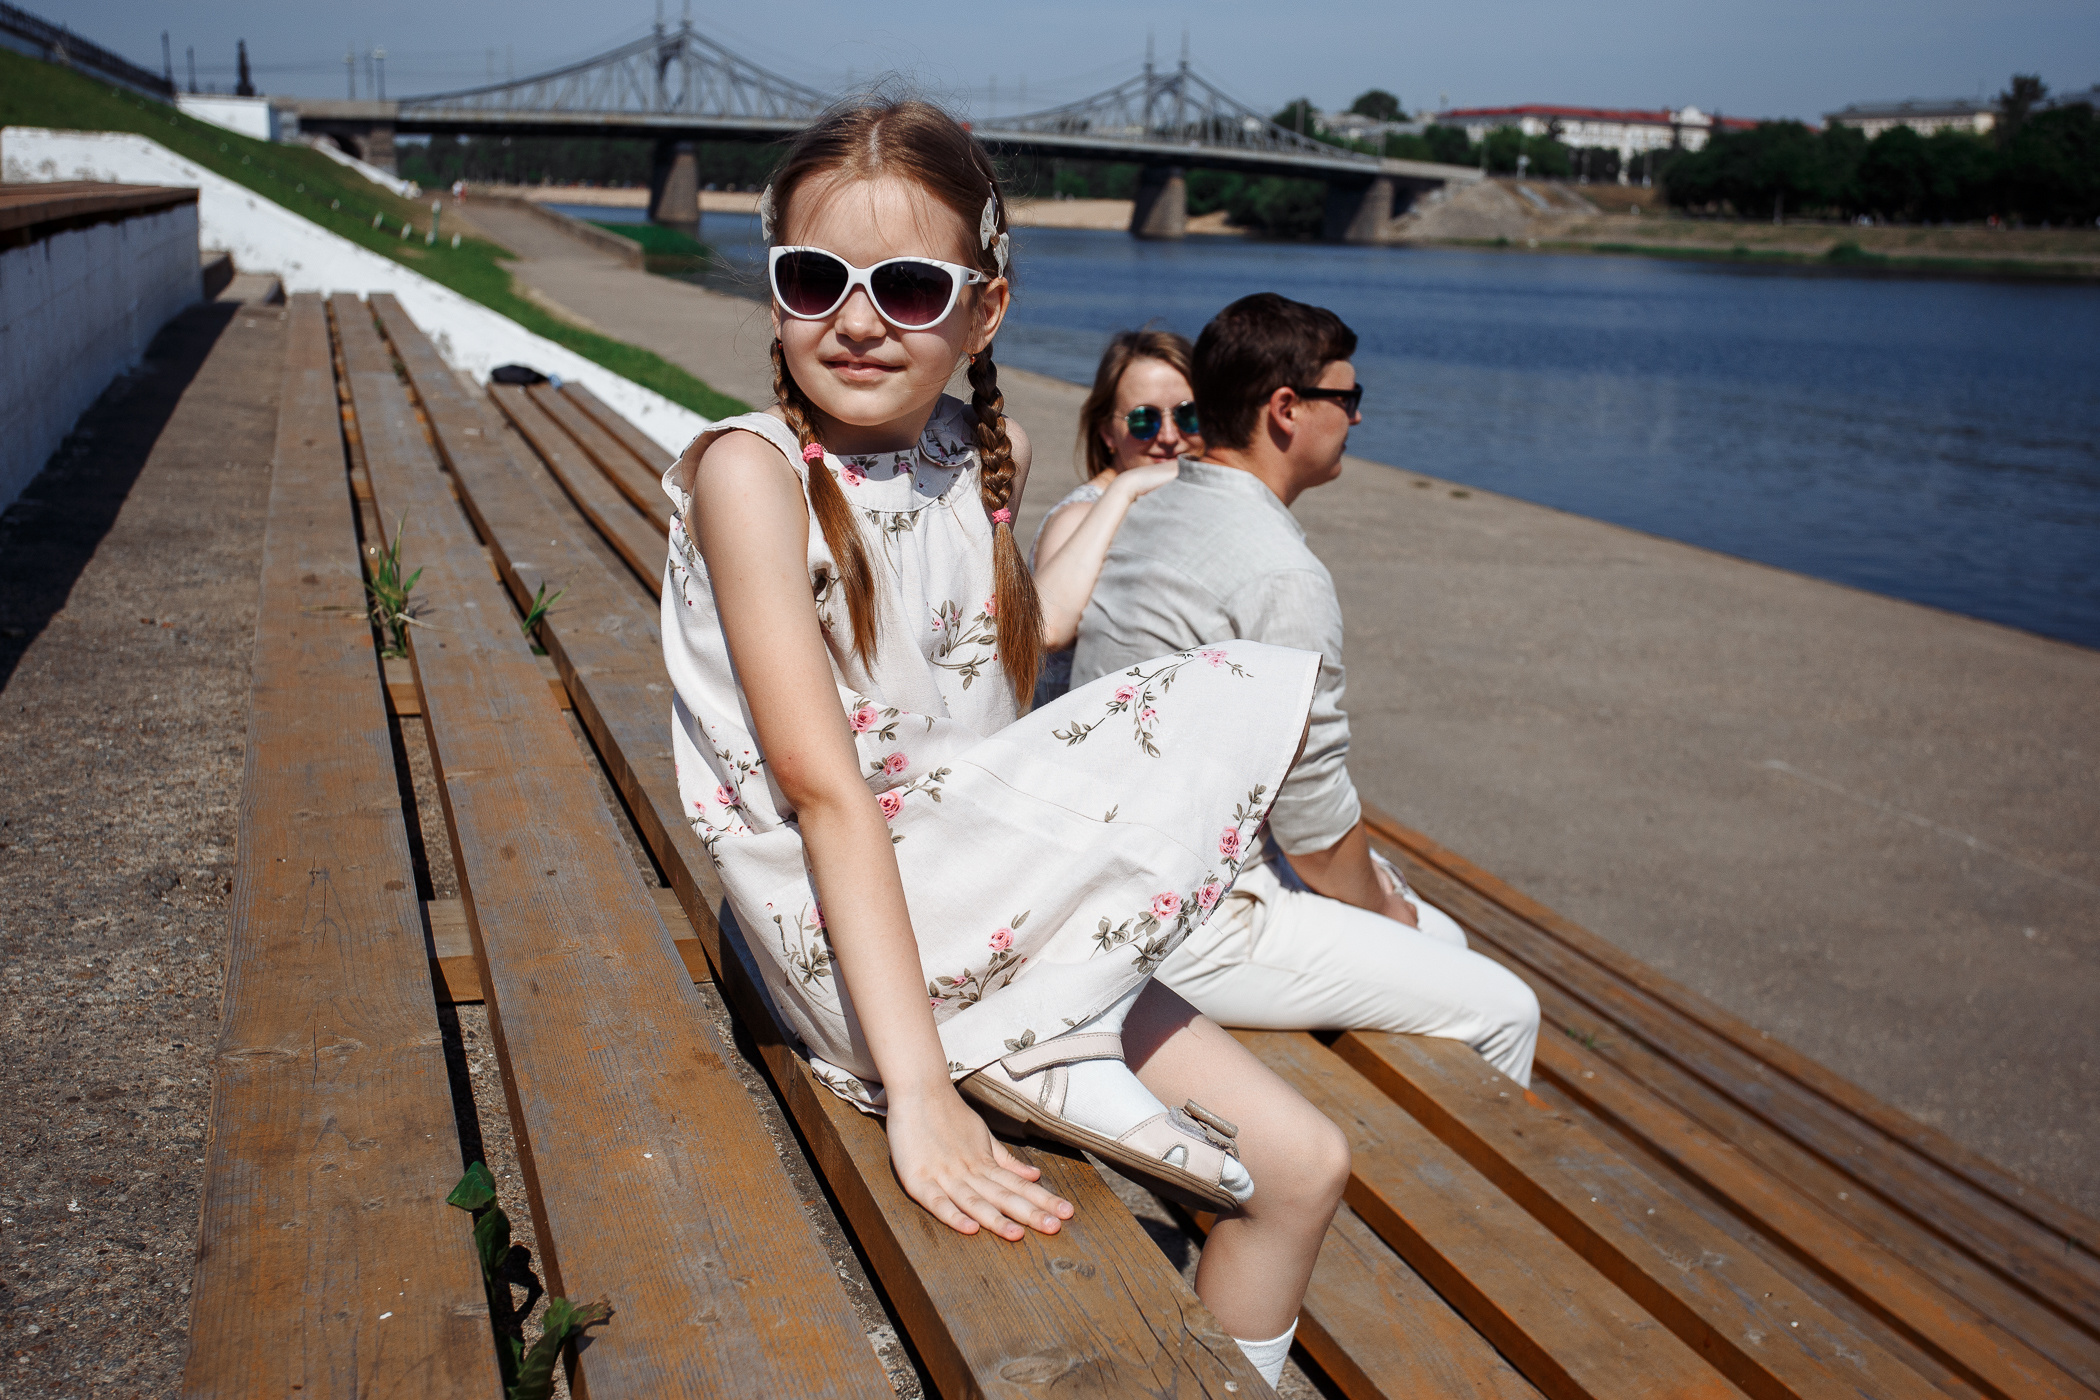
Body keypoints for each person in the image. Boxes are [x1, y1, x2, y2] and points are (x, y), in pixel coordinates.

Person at [658, 102, 1345, 1385]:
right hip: (866, 939)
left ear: (983, 312)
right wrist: (919, 1096)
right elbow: (825, 792)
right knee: (1281, 1170)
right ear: (771, 295)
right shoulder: (747, 476)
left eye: (909, 287)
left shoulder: (983, 451)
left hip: (973, 883)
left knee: (1315, 1161)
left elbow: (984, 691)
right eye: (815, 279)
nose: (856, 320)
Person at [1071, 293, 1541, 1086]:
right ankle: (1449, 1201)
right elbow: (1312, 808)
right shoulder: (1277, 570)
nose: (1356, 418)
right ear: (1286, 410)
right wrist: (1385, 911)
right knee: (1506, 1008)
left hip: (1112, 876)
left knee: (1442, 943)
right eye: (1346, 398)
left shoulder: (1158, 505)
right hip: (1189, 923)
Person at [1029, 330, 1202, 705]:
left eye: (1189, 415)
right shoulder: (1082, 513)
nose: (1170, 436)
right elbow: (1047, 627)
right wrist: (1129, 485)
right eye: (1144, 421)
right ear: (1108, 431)